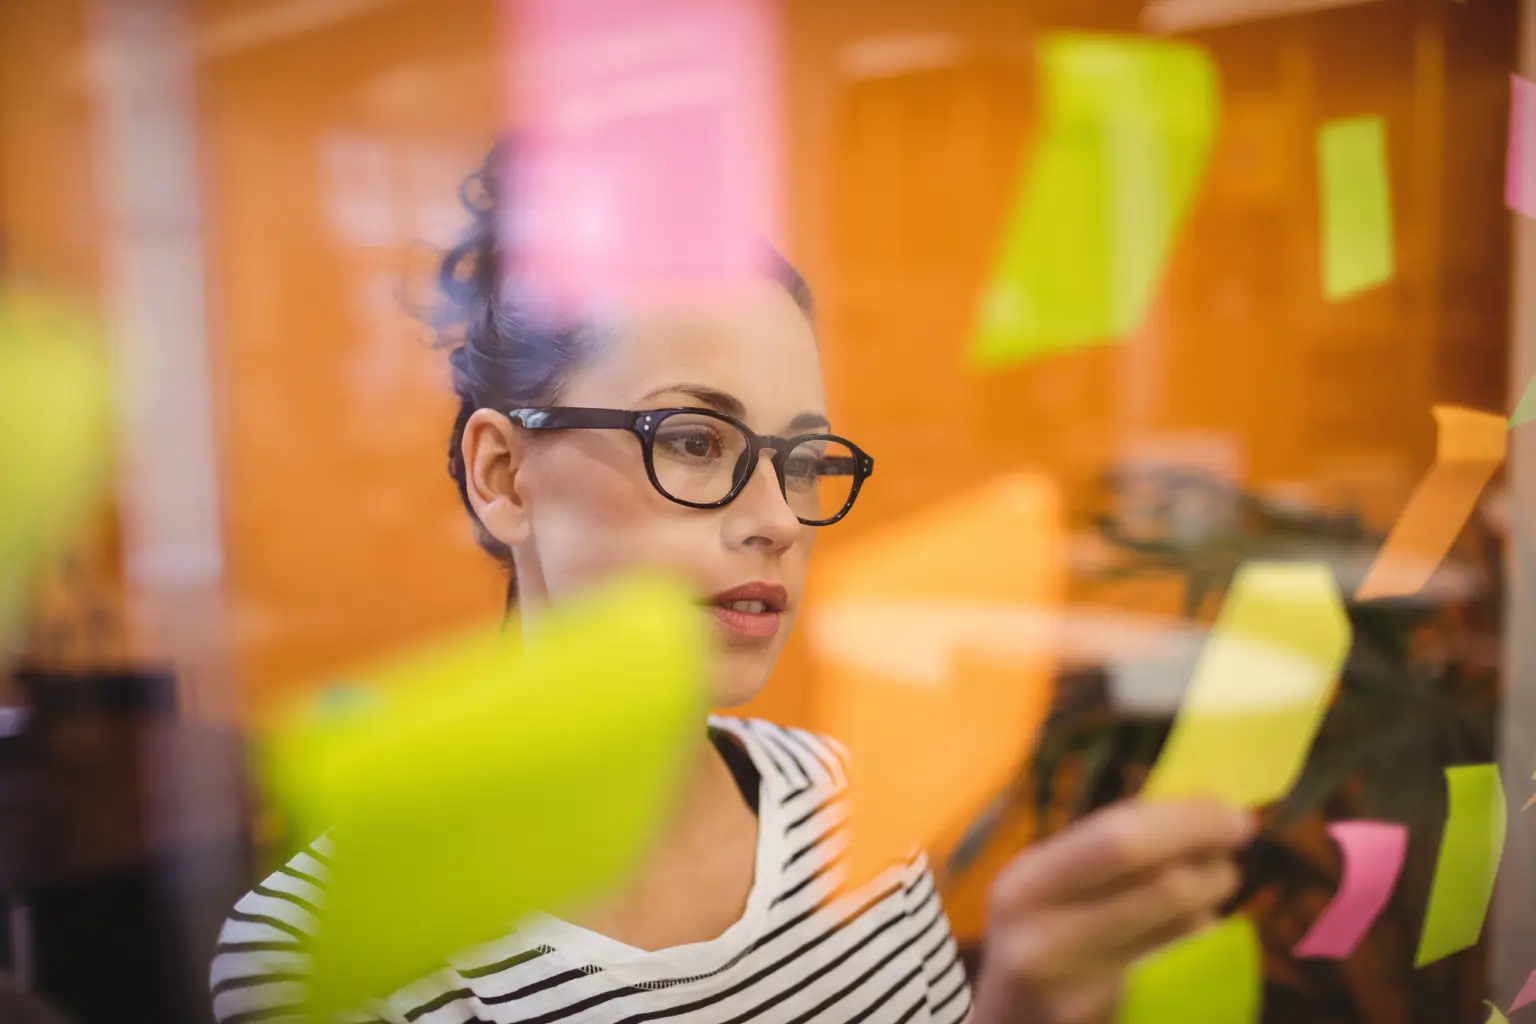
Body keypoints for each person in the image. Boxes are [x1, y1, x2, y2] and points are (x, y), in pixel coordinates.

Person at [210, 145, 1255, 1024]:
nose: (779, 516)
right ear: (505, 475)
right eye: (696, 440)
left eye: (804, 460)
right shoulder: (324, 953)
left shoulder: (848, 800)